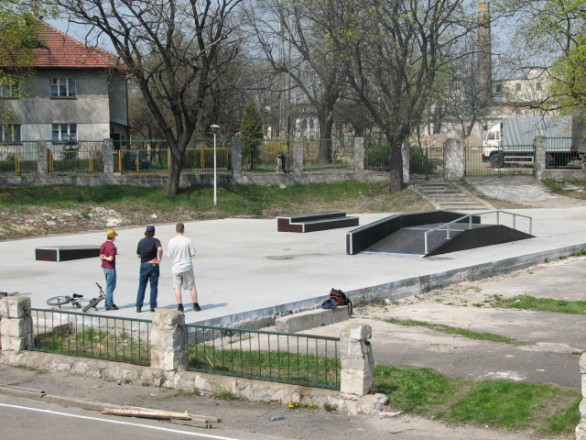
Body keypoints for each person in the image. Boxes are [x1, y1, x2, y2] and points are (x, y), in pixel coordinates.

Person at [167, 222, 201, 312]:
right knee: (192, 286)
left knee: (177, 287)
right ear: (183, 229)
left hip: (176, 267)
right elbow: (192, 254)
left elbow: (170, 255)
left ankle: (180, 306)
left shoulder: (171, 241)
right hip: (187, 267)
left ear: (176, 230)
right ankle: (195, 305)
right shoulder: (188, 240)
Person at [135, 224, 163, 313]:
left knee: (142, 286)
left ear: (146, 232)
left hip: (144, 265)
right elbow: (160, 249)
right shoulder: (155, 241)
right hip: (153, 265)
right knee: (153, 286)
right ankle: (152, 306)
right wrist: (159, 259)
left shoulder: (141, 241)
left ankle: (138, 307)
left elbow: (138, 254)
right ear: (153, 233)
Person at [99, 229, 119, 311]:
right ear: (112, 236)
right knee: (111, 286)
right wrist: (106, 258)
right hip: (110, 268)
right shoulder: (112, 246)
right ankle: (108, 304)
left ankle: (110, 302)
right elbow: (110, 258)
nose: (115, 238)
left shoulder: (103, 244)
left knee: (109, 285)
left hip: (105, 268)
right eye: (115, 236)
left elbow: (101, 256)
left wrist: (103, 262)